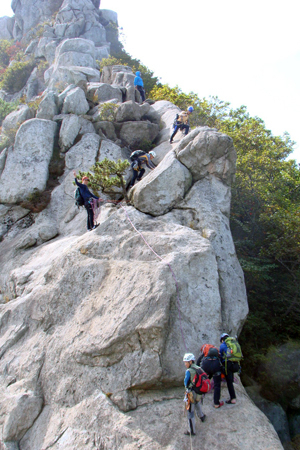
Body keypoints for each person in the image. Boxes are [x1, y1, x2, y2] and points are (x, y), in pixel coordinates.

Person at [183, 353, 206, 437]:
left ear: (190, 362)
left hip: (191, 392)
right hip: (199, 392)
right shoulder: (198, 368)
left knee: (190, 412)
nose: (185, 364)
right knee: (197, 403)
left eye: (186, 362)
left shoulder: (189, 371)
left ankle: (191, 431)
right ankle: (202, 416)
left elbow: (186, 382)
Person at [219, 333, 237, 404]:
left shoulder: (223, 345)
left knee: (229, 382)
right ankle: (233, 397)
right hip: (234, 364)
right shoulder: (233, 343)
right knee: (230, 381)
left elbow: (221, 356)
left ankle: (233, 399)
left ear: (222, 339)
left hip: (227, 364)